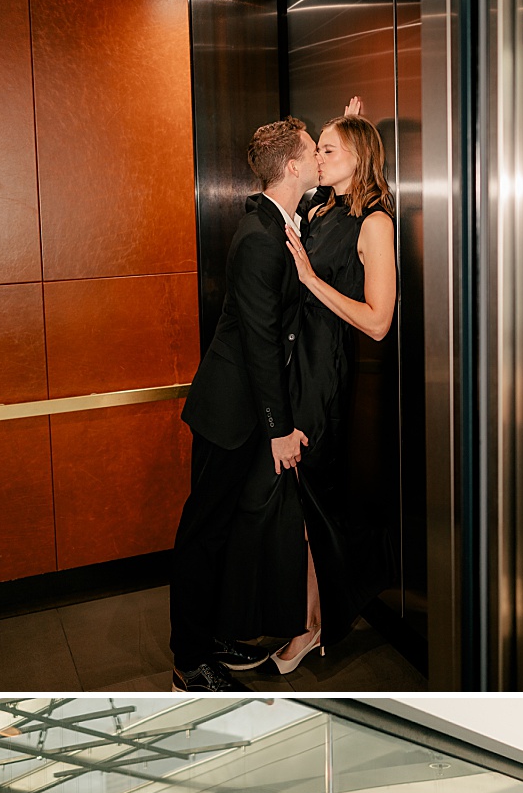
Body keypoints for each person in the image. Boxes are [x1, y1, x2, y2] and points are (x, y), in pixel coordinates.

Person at [215, 102, 398, 672]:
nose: (316, 157)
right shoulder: (320, 212)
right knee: (296, 508)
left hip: (324, 376)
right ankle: (308, 621)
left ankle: (313, 625)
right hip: (295, 372)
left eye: (328, 149)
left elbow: (377, 320)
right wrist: (348, 118)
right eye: (315, 148)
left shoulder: (376, 224)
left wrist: (312, 281)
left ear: (358, 158)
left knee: (310, 507)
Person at [169, 117, 319, 690]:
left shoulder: (274, 220)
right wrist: (279, 429)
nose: (316, 161)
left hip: (242, 408)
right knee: (202, 534)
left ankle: (208, 638)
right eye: (311, 152)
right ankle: (189, 662)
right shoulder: (261, 237)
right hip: (228, 412)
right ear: (291, 168)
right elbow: (259, 340)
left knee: (223, 533)